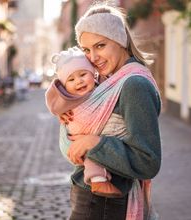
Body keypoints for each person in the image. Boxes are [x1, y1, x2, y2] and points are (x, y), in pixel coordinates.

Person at [57, 3, 162, 220]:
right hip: (91, 196)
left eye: (100, 45)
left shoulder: (134, 84)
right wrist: (70, 112)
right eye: (86, 49)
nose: (93, 57)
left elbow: (148, 161)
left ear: (120, 40)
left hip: (105, 202)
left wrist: (94, 143)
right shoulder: (106, 80)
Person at [45, 47, 127, 198]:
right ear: (65, 86)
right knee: (91, 155)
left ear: (93, 74)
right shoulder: (69, 98)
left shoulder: (103, 88)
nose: (79, 81)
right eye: (71, 79)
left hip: (99, 135)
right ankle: (98, 180)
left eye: (83, 74)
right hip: (76, 139)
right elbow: (60, 108)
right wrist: (61, 114)